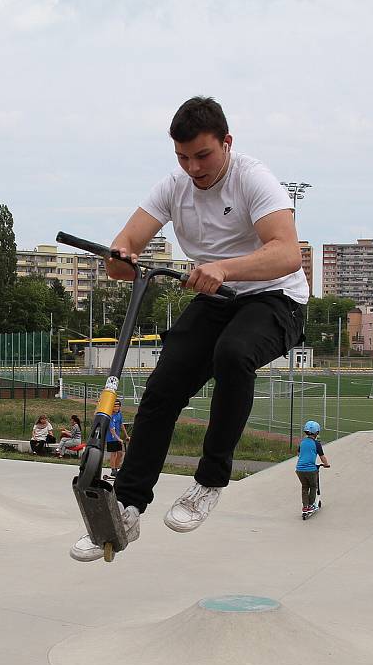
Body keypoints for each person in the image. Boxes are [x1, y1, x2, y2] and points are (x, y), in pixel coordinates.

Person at [70, 95, 307, 562]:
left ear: (226, 143)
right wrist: (120, 257)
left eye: (203, 155)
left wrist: (225, 267)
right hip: (215, 299)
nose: (194, 168)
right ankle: (128, 504)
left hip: (276, 298)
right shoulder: (172, 187)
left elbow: (288, 253)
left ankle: (211, 480)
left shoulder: (252, 179)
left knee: (233, 354)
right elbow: (125, 250)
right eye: (183, 158)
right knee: (162, 390)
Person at [295, 421, 330, 513]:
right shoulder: (317, 444)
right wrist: (326, 464)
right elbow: (322, 457)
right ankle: (311, 505)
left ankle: (305, 506)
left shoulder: (302, 442)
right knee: (313, 486)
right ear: (317, 432)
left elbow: (298, 454)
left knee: (305, 487)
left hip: (299, 469)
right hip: (310, 470)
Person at [105, 399, 130, 478]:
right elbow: (112, 430)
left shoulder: (119, 414)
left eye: (118, 406)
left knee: (120, 453)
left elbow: (122, 425)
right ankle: (113, 470)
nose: (116, 407)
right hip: (111, 438)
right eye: (114, 406)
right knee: (114, 453)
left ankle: (116, 469)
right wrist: (118, 439)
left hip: (117, 437)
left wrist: (126, 436)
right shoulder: (110, 416)